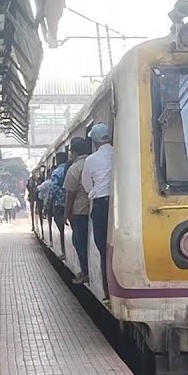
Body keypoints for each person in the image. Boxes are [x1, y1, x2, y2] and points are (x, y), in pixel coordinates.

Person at [82, 123, 115, 299]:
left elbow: (87, 186)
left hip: (101, 205)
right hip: (121, 204)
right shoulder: (120, 154)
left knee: (103, 249)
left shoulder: (90, 160)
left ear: (94, 141)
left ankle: (108, 292)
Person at [64, 138, 93, 284]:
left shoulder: (74, 168)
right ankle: (89, 271)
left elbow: (70, 195)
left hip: (80, 212)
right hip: (95, 209)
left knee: (79, 243)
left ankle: (86, 273)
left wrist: (66, 214)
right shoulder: (93, 161)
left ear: (74, 152)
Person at [48, 151, 70, 258]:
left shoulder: (56, 172)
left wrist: (61, 198)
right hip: (72, 202)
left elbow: (54, 188)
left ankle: (64, 251)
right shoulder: (70, 168)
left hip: (59, 205)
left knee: (61, 228)